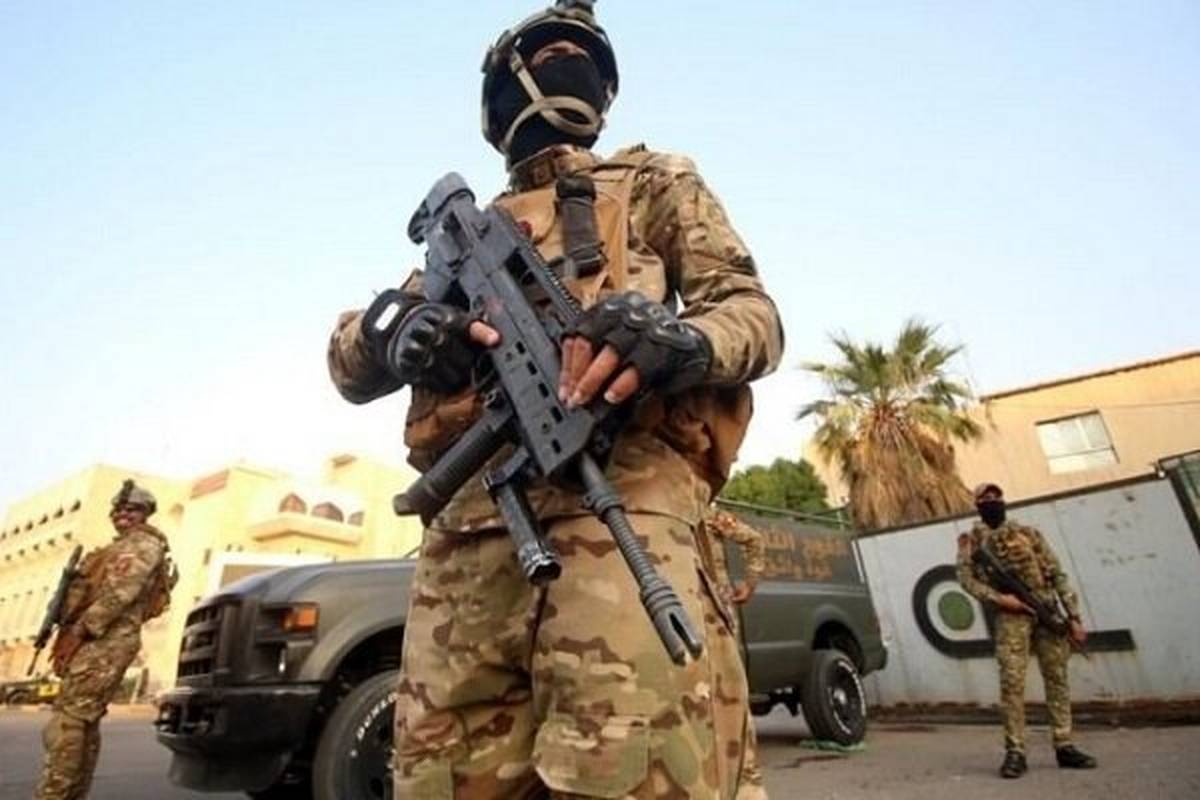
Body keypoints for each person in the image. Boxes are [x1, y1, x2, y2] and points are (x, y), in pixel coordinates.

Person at [327, 1, 783, 795]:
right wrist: (397, 328)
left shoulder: (652, 182)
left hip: (625, 519)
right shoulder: (463, 237)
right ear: (500, 96)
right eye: (547, 55)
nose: (569, 67)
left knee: (640, 776)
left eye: (584, 59)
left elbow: (753, 315)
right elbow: (348, 364)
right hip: (466, 554)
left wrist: (676, 341)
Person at [34, 479, 175, 800]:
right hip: (98, 641)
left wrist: (79, 633)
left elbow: (119, 594)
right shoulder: (120, 546)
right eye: (118, 509)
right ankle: (71, 794)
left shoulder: (141, 545)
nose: (122, 514)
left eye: (132, 509)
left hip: (105, 643)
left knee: (68, 722)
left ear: (146, 513)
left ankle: (55, 794)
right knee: (82, 721)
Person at [956, 482, 1098, 779]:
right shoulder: (971, 542)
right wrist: (1000, 599)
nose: (992, 501)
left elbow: (1056, 573)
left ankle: (1064, 744)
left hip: (1045, 608)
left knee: (1057, 679)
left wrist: (1073, 616)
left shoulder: (1029, 534)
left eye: (996, 496)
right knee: (1012, 685)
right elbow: (967, 580)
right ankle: (1015, 751)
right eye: (985, 498)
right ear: (977, 504)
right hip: (1010, 617)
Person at [697, 505, 768, 799]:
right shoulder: (699, 509)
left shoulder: (704, 510)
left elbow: (754, 539)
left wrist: (750, 583)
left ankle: (742, 779)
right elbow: (754, 540)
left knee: (728, 696)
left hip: (713, 615)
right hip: (698, 613)